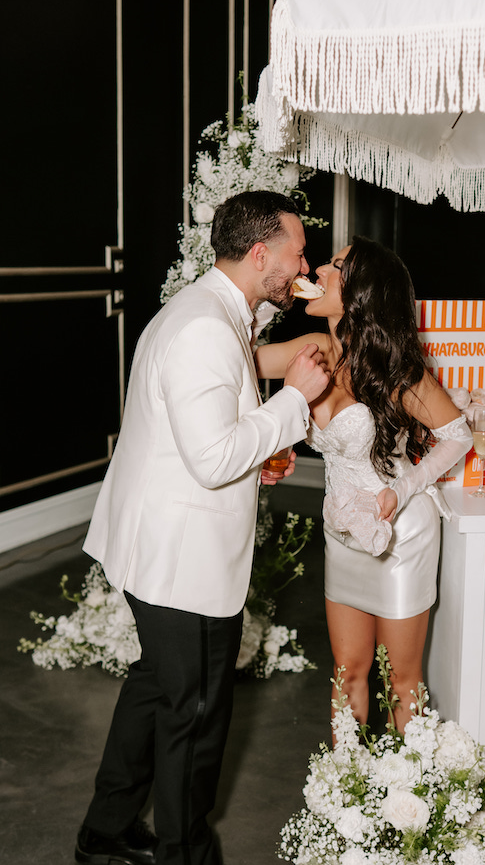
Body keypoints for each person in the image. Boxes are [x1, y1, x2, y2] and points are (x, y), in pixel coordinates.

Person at [75, 191, 330, 865]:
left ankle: (105, 834)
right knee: (192, 715)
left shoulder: (216, 313)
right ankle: (184, 853)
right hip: (178, 558)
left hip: (164, 537)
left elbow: (212, 441)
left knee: (157, 688)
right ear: (259, 254)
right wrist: (297, 400)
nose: (305, 264)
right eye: (297, 252)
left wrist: (258, 460)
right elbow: (214, 456)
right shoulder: (205, 329)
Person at [256, 237, 472, 734]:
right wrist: (268, 300)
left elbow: (457, 436)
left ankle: (407, 801)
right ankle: (345, 793)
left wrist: (405, 488)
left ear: (360, 293)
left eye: (335, 266)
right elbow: (240, 356)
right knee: (347, 669)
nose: (320, 271)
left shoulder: (394, 367)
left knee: (402, 678)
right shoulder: (309, 353)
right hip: (343, 530)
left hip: (399, 530)